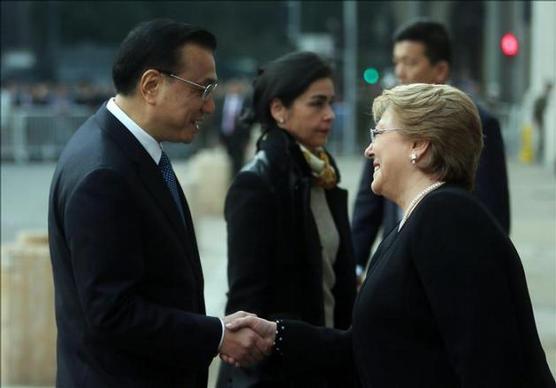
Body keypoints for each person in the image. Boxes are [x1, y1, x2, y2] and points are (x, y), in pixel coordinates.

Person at [224, 83, 556, 388]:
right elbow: (368, 350)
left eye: (379, 133)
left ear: (419, 144)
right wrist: (278, 336)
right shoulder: (413, 223)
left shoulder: (448, 218)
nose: (369, 150)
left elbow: (487, 362)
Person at [48, 19, 271, 388]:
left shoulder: (122, 149)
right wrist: (216, 335)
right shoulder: (104, 174)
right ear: (151, 85)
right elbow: (113, 313)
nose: (210, 106)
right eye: (202, 89)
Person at [216, 51, 357, 387]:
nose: (329, 115)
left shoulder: (321, 173)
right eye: (317, 104)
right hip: (282, 373)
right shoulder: (257, 184)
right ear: (278, 110)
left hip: (326, 360)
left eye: (331, 103)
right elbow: (246, 300)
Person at [352, 20, 510, 278]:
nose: (400, 72)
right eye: (396, 62)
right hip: (397, 260)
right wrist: (355, 265)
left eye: (410, 62)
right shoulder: (387, 122)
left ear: (440, 70)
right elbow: (367, 205)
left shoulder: (476, 123)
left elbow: (492, 211)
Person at [533, 81, 553, 163]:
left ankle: (539, 157)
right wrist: (536, 121)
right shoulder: (542, 97)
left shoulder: (546, 97)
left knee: (541, 140)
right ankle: (538, 158)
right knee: (539, 140)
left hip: (541, 121)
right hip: (539, 121)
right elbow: (536, 109)